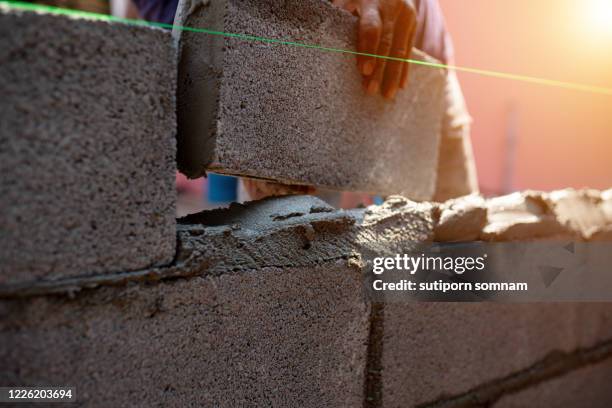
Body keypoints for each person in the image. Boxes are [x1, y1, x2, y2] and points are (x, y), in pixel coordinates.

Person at [132, 0, 478, 203]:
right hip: (281, 68)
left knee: (449, 267)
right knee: (298, 259)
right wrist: (236, 63)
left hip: (415, 64)